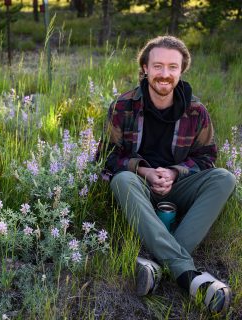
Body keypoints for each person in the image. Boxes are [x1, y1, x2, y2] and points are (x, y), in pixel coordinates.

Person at [99, 35, 236, 315]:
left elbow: (207, 157)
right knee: (122, 179)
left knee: (225, 178)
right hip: (138, 188)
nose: (165, 74)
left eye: (172, 67)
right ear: (145, 68)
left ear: (181, 70)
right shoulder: (123, 106)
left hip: (179, 185)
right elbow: (107, 157)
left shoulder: (196, 111)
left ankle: (157, 265)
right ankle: (187, 275)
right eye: (158, 66)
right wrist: (146, 171)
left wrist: (174, 172)